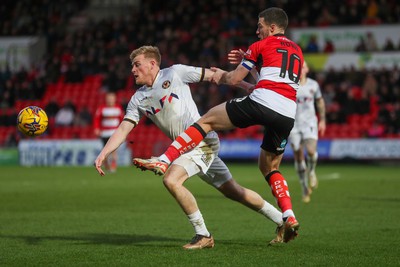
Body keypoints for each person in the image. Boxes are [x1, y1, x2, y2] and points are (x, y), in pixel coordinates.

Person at [133, 7, 303, 242]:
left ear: (272, 28)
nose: (257, 31)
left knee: (206, 121)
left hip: (264, 101)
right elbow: (263, 81)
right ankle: (288, 215)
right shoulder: (297, 50)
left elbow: (234, 79)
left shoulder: (260, 46)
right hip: (288, 112)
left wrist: (228, 72)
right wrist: (251, 64)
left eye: (260, 26)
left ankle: (164, 159)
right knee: (269, 168)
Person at [94, 46, 286, 249]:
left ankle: (203, 235)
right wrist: (104, 153)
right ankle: (282, 220)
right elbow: (124, 129)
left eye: (137, 64)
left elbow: (213, 76)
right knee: (234, 192)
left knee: (171, 180)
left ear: (152, 64)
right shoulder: (137, 99)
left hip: (203, 141)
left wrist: (247, 86)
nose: (132, 70)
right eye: (132, 65)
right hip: (184, 149)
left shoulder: (175, 73)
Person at [288, 61, 326, 203]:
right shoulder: (290, 84)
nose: (301, 69)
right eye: (298, 67)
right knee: (298, 155)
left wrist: (322, 120)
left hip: (309, 123)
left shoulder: (313, 85)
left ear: (307, 69)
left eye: (303, 67)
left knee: (310, 151)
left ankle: (311, 172)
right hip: (293, 124)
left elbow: (320, 103)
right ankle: (304, 188)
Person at [94, 92, 124, 172]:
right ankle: (107, 165)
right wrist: (97, 128)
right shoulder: (102, 108)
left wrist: (123, 132)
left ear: (115, 99)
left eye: (112, 98)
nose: (110, 100)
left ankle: (113, 166)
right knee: (105, 151)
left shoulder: (118, 108)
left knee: (114, 150)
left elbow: (122, 120)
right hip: (105, 133)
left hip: (115, 132)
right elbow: (97, 119)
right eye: (109, 98)